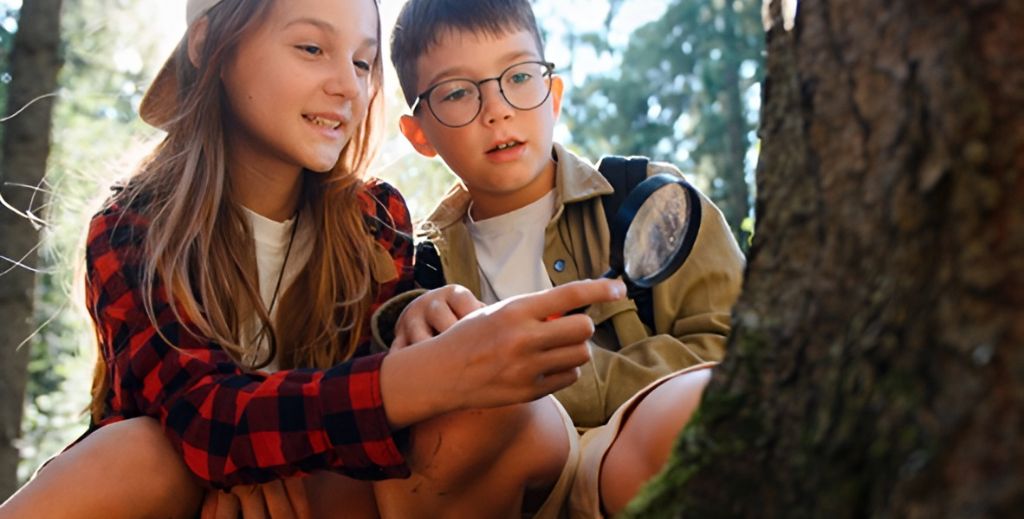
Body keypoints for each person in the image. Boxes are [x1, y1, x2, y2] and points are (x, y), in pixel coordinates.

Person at [0, 0, 626, 517]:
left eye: (361, 61)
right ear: (209, 48)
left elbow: (388, 442)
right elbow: (201, 422)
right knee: (135, 452)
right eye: (311, 49)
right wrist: (428, 374)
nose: (346, 84)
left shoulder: (374, 223)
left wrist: (424, 330)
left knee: (485, 418)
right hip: (182, 498)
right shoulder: (135, 226)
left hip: (329, 496)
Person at [383, 0, 745, 515]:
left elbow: (735, 354)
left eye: (520, 76)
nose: (498, 109)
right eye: (459, 92)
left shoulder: (648, 199)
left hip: (628, 449)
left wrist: (567, 376)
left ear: (553, 96)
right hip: (509, 483)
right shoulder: (419, 271)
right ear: (420, 134)